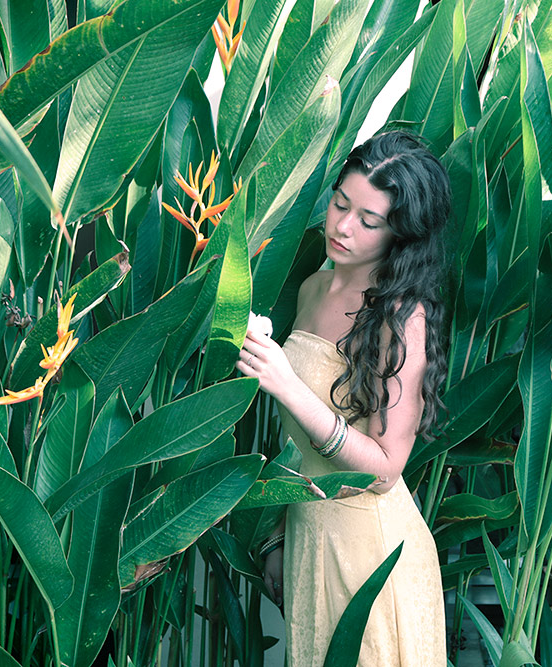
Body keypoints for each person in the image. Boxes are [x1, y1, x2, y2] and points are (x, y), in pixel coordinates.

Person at [237, 131, 451, 665]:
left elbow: (385, 471)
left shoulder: (401, 317)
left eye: (368, 221)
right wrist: (279, 533)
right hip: (310, 537)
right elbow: (302, 450)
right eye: (339, 203)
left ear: (400, 234)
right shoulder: (313, 287)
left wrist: (287, 385)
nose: (342, 226)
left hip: (372, 554)